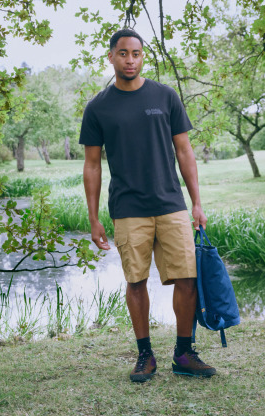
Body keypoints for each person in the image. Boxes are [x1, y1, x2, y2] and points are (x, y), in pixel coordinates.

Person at [79, 28, 216, 382]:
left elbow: (184, 150)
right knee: (136, 281)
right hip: (127, 208)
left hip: (171, 203)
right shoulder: (98, 107)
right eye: (123, 53)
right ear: (111, 56)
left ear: (143, 57)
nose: (130, 60)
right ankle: (145, 355)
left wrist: (197, 202)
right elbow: (92, 165)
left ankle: (184, 353)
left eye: (136, 53)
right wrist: (93, 218)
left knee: (187, 279)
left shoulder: (165, 96)